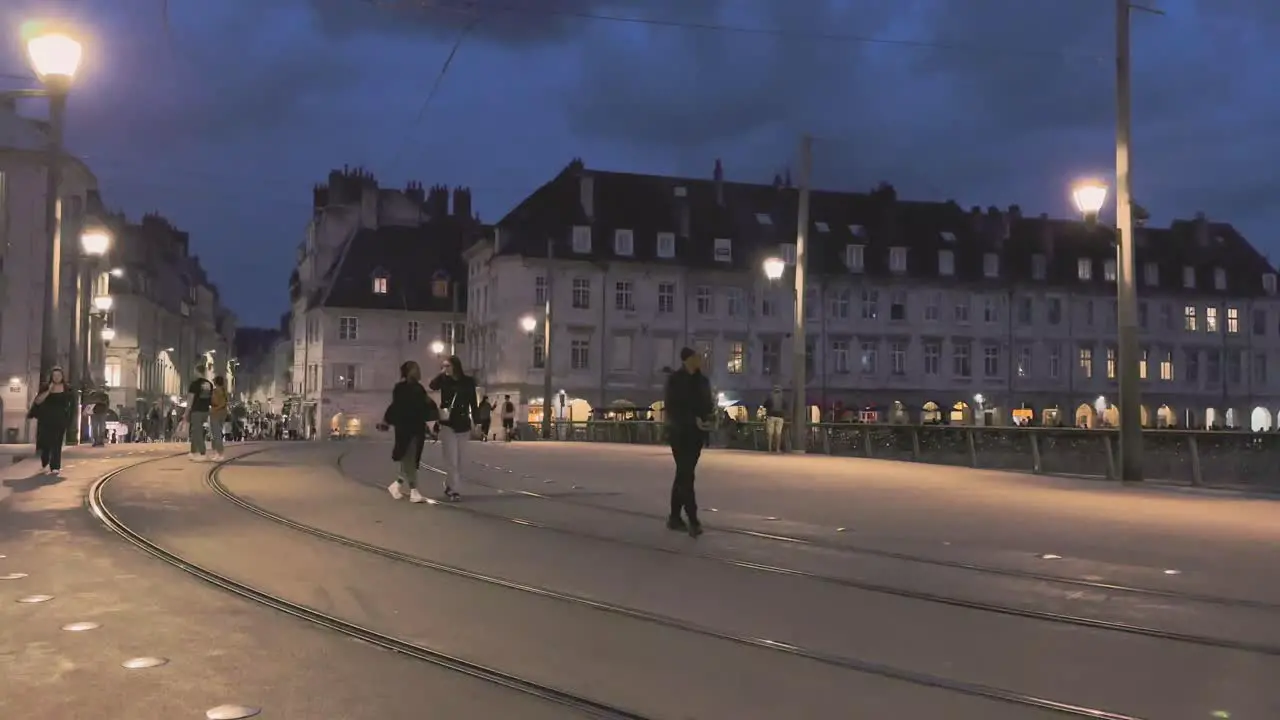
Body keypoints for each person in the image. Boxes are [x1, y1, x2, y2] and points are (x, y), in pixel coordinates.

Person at [664, 347, 714, 537]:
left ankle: (674, 517)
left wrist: (707, 418)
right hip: (679, 433)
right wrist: (693, 419)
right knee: (686, 475)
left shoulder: (702, 381)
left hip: (697, 435)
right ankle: (693, 519)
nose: (699, 360)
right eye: (696, 357)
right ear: (686, 360)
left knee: (683, 474)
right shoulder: (675, 380)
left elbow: (707, 404)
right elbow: (672, 407)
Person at [380, 361, 438, 503]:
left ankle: (397, 485)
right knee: (409, 458)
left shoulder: (419, 388)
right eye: (415, 369)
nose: (418, 371)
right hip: (405, 428)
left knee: (410, 459)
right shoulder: (400, 388)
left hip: (417, 427)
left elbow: (426, 407)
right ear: (408, 372)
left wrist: (430, 426)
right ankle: (414, 491)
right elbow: (396, 406)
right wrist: (387, 421)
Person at [428, 355, 478, 501]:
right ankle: (454, 491)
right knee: (451, 459)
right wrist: (442, 374)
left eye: (447, 366)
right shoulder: (443, 380)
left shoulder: (468, 382)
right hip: (447, 424)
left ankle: (450, 485)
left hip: (463, 424)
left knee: (461, 460)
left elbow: (473, 403)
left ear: (455, 366)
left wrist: (478, 422)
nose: (445, 369)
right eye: (443, 366)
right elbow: (432, 385)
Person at [31, 367, 73, 475]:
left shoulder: (67, 388)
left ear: (62, 377)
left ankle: (55, 466)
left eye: (59, 375)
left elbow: (71, 404)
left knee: (57, 443)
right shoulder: (45, 387)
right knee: (46, 443)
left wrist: (69, 419)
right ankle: (45, 459)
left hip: (60, 419)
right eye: (54, 376)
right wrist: (49, 391)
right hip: (46, 419)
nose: (57, 378)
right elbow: (38, 401)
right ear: (51, 377)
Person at [184, 364, 214, 461]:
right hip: (205, 410)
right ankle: (193, 452)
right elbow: (210, 398)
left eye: (194, 371)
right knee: (195, 431)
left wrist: (186, 412)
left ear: (197, 372)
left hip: (196, 410)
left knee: (197, 432)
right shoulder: (209, 384)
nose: (194, 373)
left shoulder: (195, 384)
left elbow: (190, 399)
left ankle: (202, 453)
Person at [209, 375, 230, 461]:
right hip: (223, 413)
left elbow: (214, 402)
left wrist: (214, 407)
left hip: (215, 413)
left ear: (215, 382)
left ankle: (219, 453)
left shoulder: (215, 391)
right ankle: (217, 453)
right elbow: (225, 402)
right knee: (218, 432)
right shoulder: (224, 391)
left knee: (216, 434)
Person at [763, 385, 787, 453]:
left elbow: (765, 405)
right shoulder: (782, 398)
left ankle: (770, 448)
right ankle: (777, 449)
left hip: (771, 416)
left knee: (770, 433)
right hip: (780, 417)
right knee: (778, 433)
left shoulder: (770, 397)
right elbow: (785, 406)